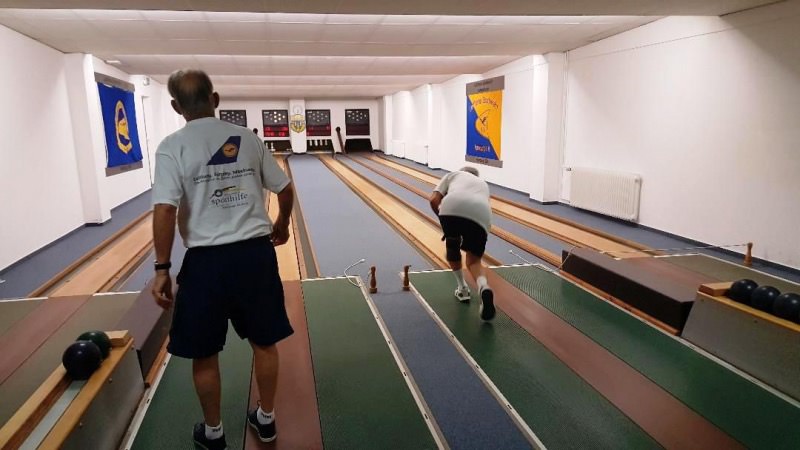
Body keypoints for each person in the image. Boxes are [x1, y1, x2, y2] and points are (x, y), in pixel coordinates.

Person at [151, 69, 294, 450]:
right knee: (265, 342)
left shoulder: (171, 147)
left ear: (176, 107)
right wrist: (282, 223)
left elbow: (165, 209)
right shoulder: (247, 138)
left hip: (205, 264)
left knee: (204, 352)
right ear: (215, 100)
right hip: (254, 256)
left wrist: (162, 268)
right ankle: (266, 419)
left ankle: (213, 433)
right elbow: (284, 188)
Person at [429, 166, 495, 321]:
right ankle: (483, 287)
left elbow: (433, 199)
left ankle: (462, 288)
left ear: (462, 171)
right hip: (482, 214)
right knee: (474, 261)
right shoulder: (483, 184)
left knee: (453, 246)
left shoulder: (453, 174)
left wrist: (444, 219)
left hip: (451, 206)